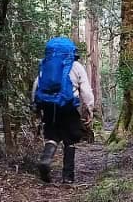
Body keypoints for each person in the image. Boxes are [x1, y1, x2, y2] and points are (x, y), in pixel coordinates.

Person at [32, 37, 95, 183]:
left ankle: (46, 160)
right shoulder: (76, 66)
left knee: (52, 136)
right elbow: (85, 90)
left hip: (48, 106)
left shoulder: (45, 64)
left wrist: (35, 106)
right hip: (68, 106)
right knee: (70, 139)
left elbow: (37, 85)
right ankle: (68, 177)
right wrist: (89, 108)